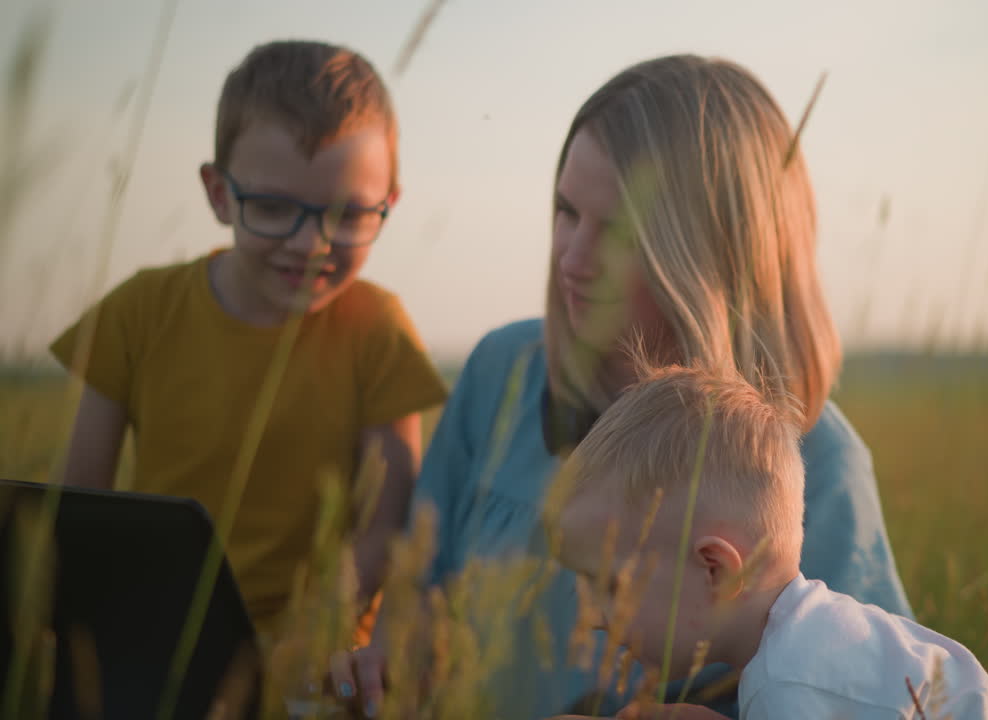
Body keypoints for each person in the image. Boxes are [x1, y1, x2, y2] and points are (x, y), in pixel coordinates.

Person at [333, 54, 910, 718]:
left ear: (708, 256)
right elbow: (413, 598)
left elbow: (869, 699)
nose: (571, 259)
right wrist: (387, 665)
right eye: (566, 212)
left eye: (616, 235)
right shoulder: (504, 372)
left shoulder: (818, 462)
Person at [49, 40, 446, 643]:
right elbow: (82, 501)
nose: (311, 244)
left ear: (388, 204)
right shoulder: (139, 312)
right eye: (271, 206)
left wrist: (302, 643)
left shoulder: (380, 330)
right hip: (158, 636)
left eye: (347, 215)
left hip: (317, 656)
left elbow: (382, 528)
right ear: (217, 194)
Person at [551, 362, 988, 720]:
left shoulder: (789, 684)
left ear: (717, 571)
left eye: (612, 587)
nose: (592, 616)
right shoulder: (816, 639)